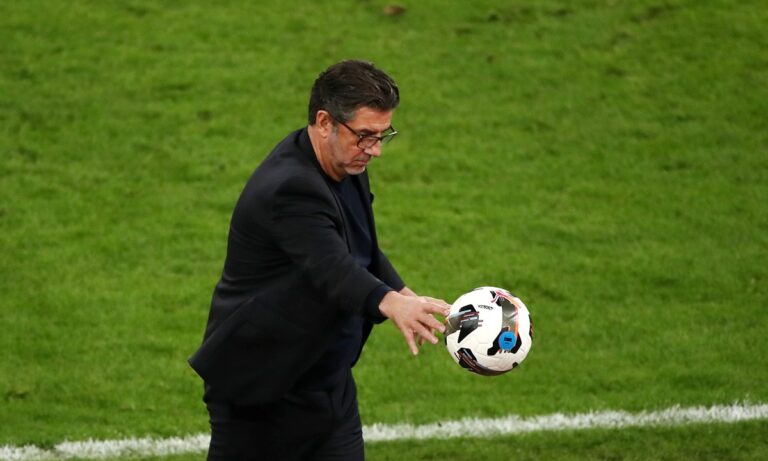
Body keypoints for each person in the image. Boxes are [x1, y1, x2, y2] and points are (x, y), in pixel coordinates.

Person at [189, 60, 451, 461]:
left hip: (325, 382)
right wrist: (389, 302)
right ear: (325, 122)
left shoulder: (347, 162)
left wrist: (403, 293)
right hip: (262, 393)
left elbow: (360, 248)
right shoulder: (291, 188)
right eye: (365, 136)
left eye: (383, 135)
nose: (375, 150)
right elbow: (331, 267)